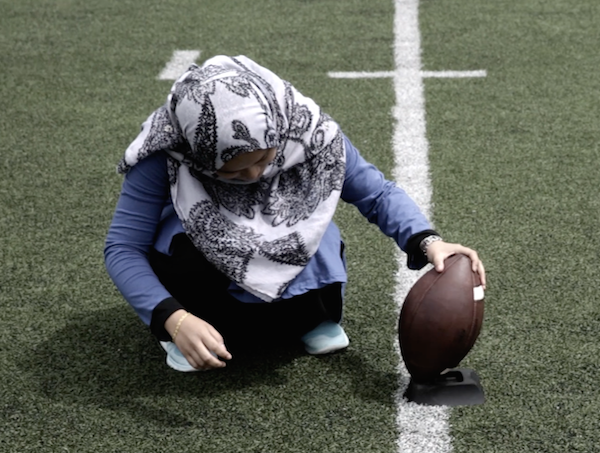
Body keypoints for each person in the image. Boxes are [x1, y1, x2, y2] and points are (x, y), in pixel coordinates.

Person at [104, 55, 486, 372]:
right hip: (204, 275)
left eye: (266, 159)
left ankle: (308, 316)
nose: (255, 176)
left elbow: (376, 192)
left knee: (309, 230)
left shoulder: (307, 129)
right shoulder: (163, 153)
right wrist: (174, 318)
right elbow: (123, 247)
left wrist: (428, 239)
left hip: (290, 265)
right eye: (234, 171)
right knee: (187, 246)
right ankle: (195, 326)